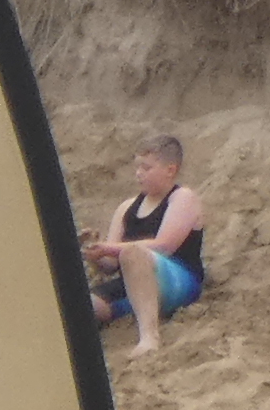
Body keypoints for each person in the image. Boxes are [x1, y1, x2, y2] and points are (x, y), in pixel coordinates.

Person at [81, 135, 211, 356]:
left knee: (133, 253)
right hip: (131, 289)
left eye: (146, 167)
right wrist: (91, 251)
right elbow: (110, 264)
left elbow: (165, 246)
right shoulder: (127, 207)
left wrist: (111, 248)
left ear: (170, 170)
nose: (138, 173)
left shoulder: (182, 198)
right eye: (137, 167)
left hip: (177, 281)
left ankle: (149, 337)